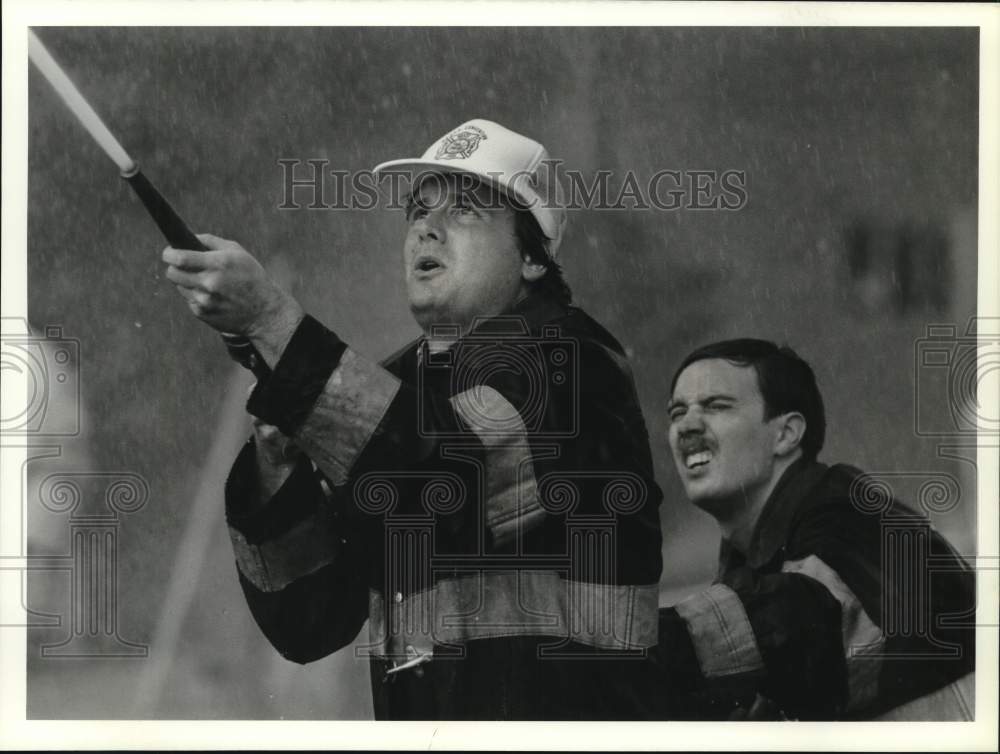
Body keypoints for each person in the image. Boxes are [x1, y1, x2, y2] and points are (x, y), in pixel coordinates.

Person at [161, 119, 667, 719]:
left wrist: (275, 324)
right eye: (417, 211)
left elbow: (444, 481)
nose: (426, 226)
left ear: (533, 256)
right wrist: (280, 448)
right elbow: (308, 619)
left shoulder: (574, 364)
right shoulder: (392, 396)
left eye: (465, 211)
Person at [653, 339, 976, 720]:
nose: (686, 426)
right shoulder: (758, 556)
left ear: (786, 434)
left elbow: (793, 624)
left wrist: (627, 647)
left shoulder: (847, 518)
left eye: (716, 406)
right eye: (677, 412)